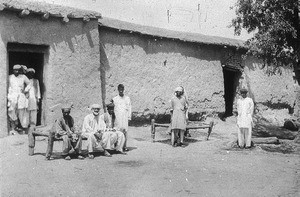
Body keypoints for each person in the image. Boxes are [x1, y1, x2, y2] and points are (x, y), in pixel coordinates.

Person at [7, 64, 30, 133]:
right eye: (15, 70)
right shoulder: (9, 77)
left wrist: (25, 90)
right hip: (12, 96)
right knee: (11, 111)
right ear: (13, 70)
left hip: (21, 96)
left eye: (18, 70)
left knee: (21, 111)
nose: (17, 71)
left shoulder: (23, 77)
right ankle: (13, 127)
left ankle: (24, 127)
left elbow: (29, 84)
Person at [112, 84, 132, 151]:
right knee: (117, 130)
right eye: (120, 89)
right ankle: (117, 146)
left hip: (125, 117)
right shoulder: (115, 99)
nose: (121, 90)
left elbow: (129, 108)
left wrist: (129, 117)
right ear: (118, 90)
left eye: (122, 89)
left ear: (123, 89)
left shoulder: (127, 98)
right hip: (118, 117)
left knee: (125, 131)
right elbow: (113, 109)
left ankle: (124, 146)